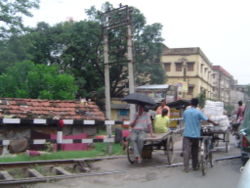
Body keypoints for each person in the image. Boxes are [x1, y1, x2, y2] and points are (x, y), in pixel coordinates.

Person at [182, 98, 218, 172]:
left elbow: (184, 120)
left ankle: (186, 168)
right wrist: (214, 123)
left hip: (186, 134)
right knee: (194, 151)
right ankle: (194, 166)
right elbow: (207, 119)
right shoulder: (198, 112)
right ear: (197, 104)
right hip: (195, 135)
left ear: (190, 103)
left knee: (186, 151)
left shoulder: (185, 112)